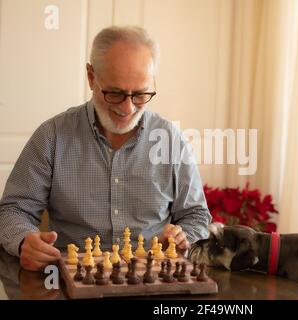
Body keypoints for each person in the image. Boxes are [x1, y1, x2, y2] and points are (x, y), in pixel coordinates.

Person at [0, 26, 211, 271]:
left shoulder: (170, 139)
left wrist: (184, 237)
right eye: (116, 93)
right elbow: (13, 210)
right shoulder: (52, 137)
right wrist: (25, 239)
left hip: (151, 282)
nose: (129, 108)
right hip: (74, 282)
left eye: (140, 94)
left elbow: (196, 216)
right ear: (91, 77)